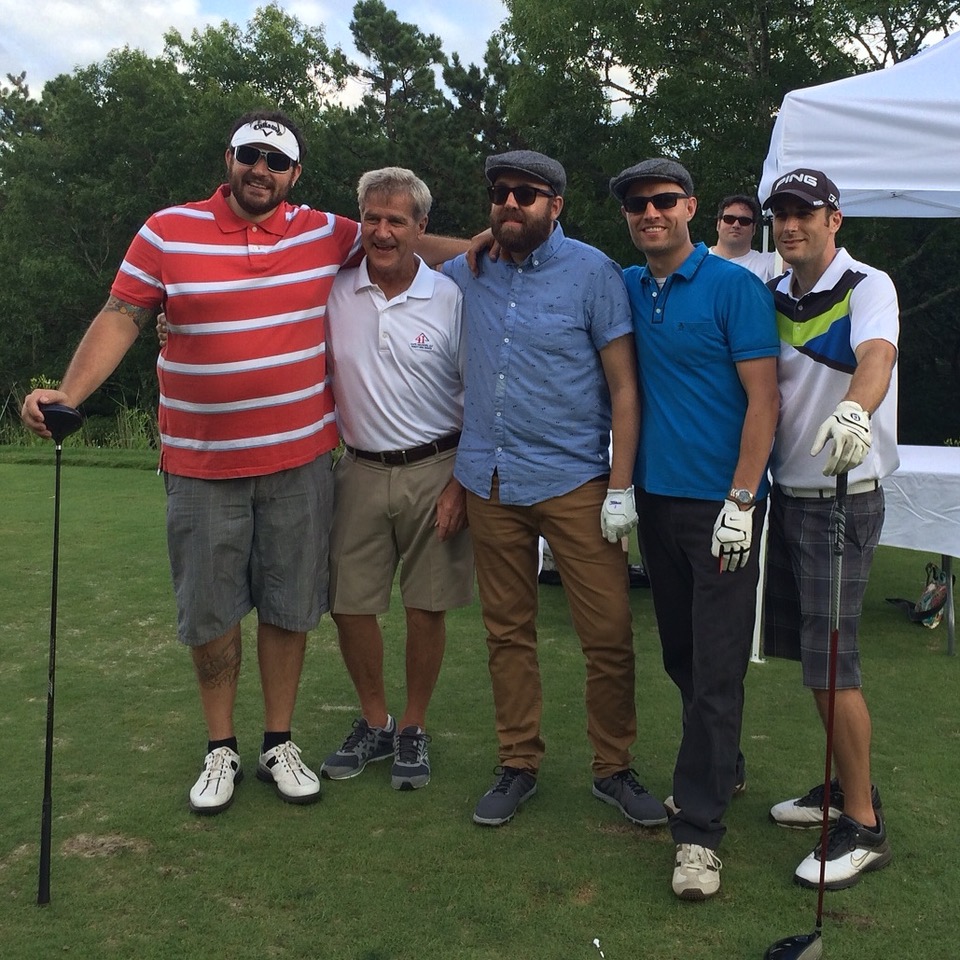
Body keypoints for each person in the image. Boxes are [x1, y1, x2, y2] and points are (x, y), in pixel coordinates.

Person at [23, 110, 367, 816]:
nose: (260, 171)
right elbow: (123, 313)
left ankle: (278, 740)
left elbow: (400, 241)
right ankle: (221, 748)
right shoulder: (166, 229)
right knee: (209, 614)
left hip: (299, 460)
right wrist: (70, 393)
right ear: (229, 160)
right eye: (250, 156)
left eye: (276, 162)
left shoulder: (328, 232)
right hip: (201, 464)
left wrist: (489, 246)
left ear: (295, 175)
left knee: (289, 604)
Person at [442, 150, 665, 830]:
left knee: (607, 635)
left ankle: (614, 767)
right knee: (506, 634)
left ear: (556, 205)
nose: (511, 203)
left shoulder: (594, 272)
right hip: (491, 478)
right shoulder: (469, 270)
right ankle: (517, 763)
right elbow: (395, 240)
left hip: (575, 480)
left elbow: (625, 389)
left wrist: (619, 485)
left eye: (527, 195)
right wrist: (476, 239)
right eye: (500, 194)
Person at [609, 157, 780, 900]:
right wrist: (484, 238)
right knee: (681, 654)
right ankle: (723, 763)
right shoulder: (624, 285)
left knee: (715, 668)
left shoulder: (734, 288)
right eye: (638, 205)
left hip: (724, 505)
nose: (651, 213)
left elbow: (764, 401)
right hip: (658, 499)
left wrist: (742, 498)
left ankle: (699, 833)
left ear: (691, 206)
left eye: (664, 200)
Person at [761, 168, 898, 890]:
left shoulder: (867, 285)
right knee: (814, 660)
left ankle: (865, 823)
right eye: (781, 214)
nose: (791, 226)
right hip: (790, 494)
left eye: (804, 213)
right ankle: (847, 788)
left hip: (842, 498)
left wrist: (856, 409)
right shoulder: (772, 294)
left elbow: (875, 357)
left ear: (833, 219)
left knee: (831, 666)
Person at [317, 167, 472, 791]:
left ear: (420, 227)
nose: (382, 232)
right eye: (372, 219)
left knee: (425, 606)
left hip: (437, 467)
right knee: (348, 603)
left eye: (397, 221)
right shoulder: (334, 290)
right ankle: (375, 719)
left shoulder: (451, 297)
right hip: (357, 466)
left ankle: (412, 726)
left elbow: (480, 395)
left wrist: (461, 483)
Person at [710, 194, 779, 281]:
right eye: (729, 219)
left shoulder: (769, 263)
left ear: (754, 229)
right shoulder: (698, 260)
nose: (736, 225)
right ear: (718, 224)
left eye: (744, 221)